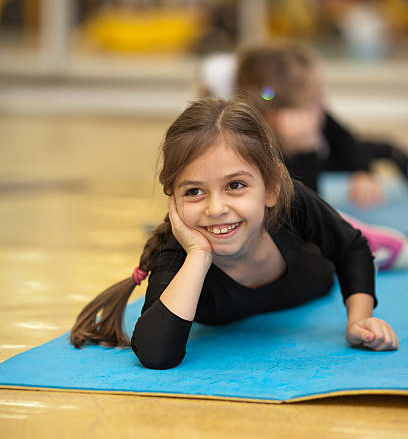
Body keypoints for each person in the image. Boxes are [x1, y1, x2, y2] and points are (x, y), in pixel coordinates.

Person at [70, 98, 398, 369]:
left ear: (270, 188)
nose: (216, 208)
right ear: (173, 199)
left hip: (317, 266)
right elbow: (156, 354)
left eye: (235, 185)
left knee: (350, 235)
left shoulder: (290, 202)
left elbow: (351, 247)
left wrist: (359, 319)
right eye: (194, 192)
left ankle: (377, 239)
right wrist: (198, 255)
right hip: (276, 251)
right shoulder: (175, 257)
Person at [199, 46, 408, 207]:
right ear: (275, 116)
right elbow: (307, 214)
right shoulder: (254, 150)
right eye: (312, 101)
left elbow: (344, 138)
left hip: (322, 155)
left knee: (388, 148)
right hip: (301, 170)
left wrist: (362, 171)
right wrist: (305, 150)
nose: (321, 102)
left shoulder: (313, 112)